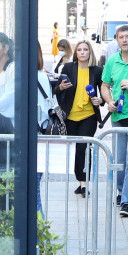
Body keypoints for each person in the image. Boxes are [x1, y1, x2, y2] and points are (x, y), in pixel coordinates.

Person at [100, 24, 128, 219]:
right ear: (116, 40)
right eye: (121, 37)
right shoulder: (112, 60)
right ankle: (121, 191)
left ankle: (127, 201)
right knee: (119, 161)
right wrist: (109, 101)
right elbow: (104, 86)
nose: (124, 40)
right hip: (118, 117)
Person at [54, 39, 104, 197]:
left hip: (89, 115)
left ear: (90, 52)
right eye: (79, 50)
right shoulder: (68, 67)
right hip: (70, 116)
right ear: (76, 53)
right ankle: (80, 180)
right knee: (75, 150)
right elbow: (56, 89)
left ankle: (83, 184)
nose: (82, 52)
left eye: (85, 50)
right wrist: (61, 87)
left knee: (84, 148)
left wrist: (100, 100)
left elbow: (103, 92)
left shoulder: (97, 70)